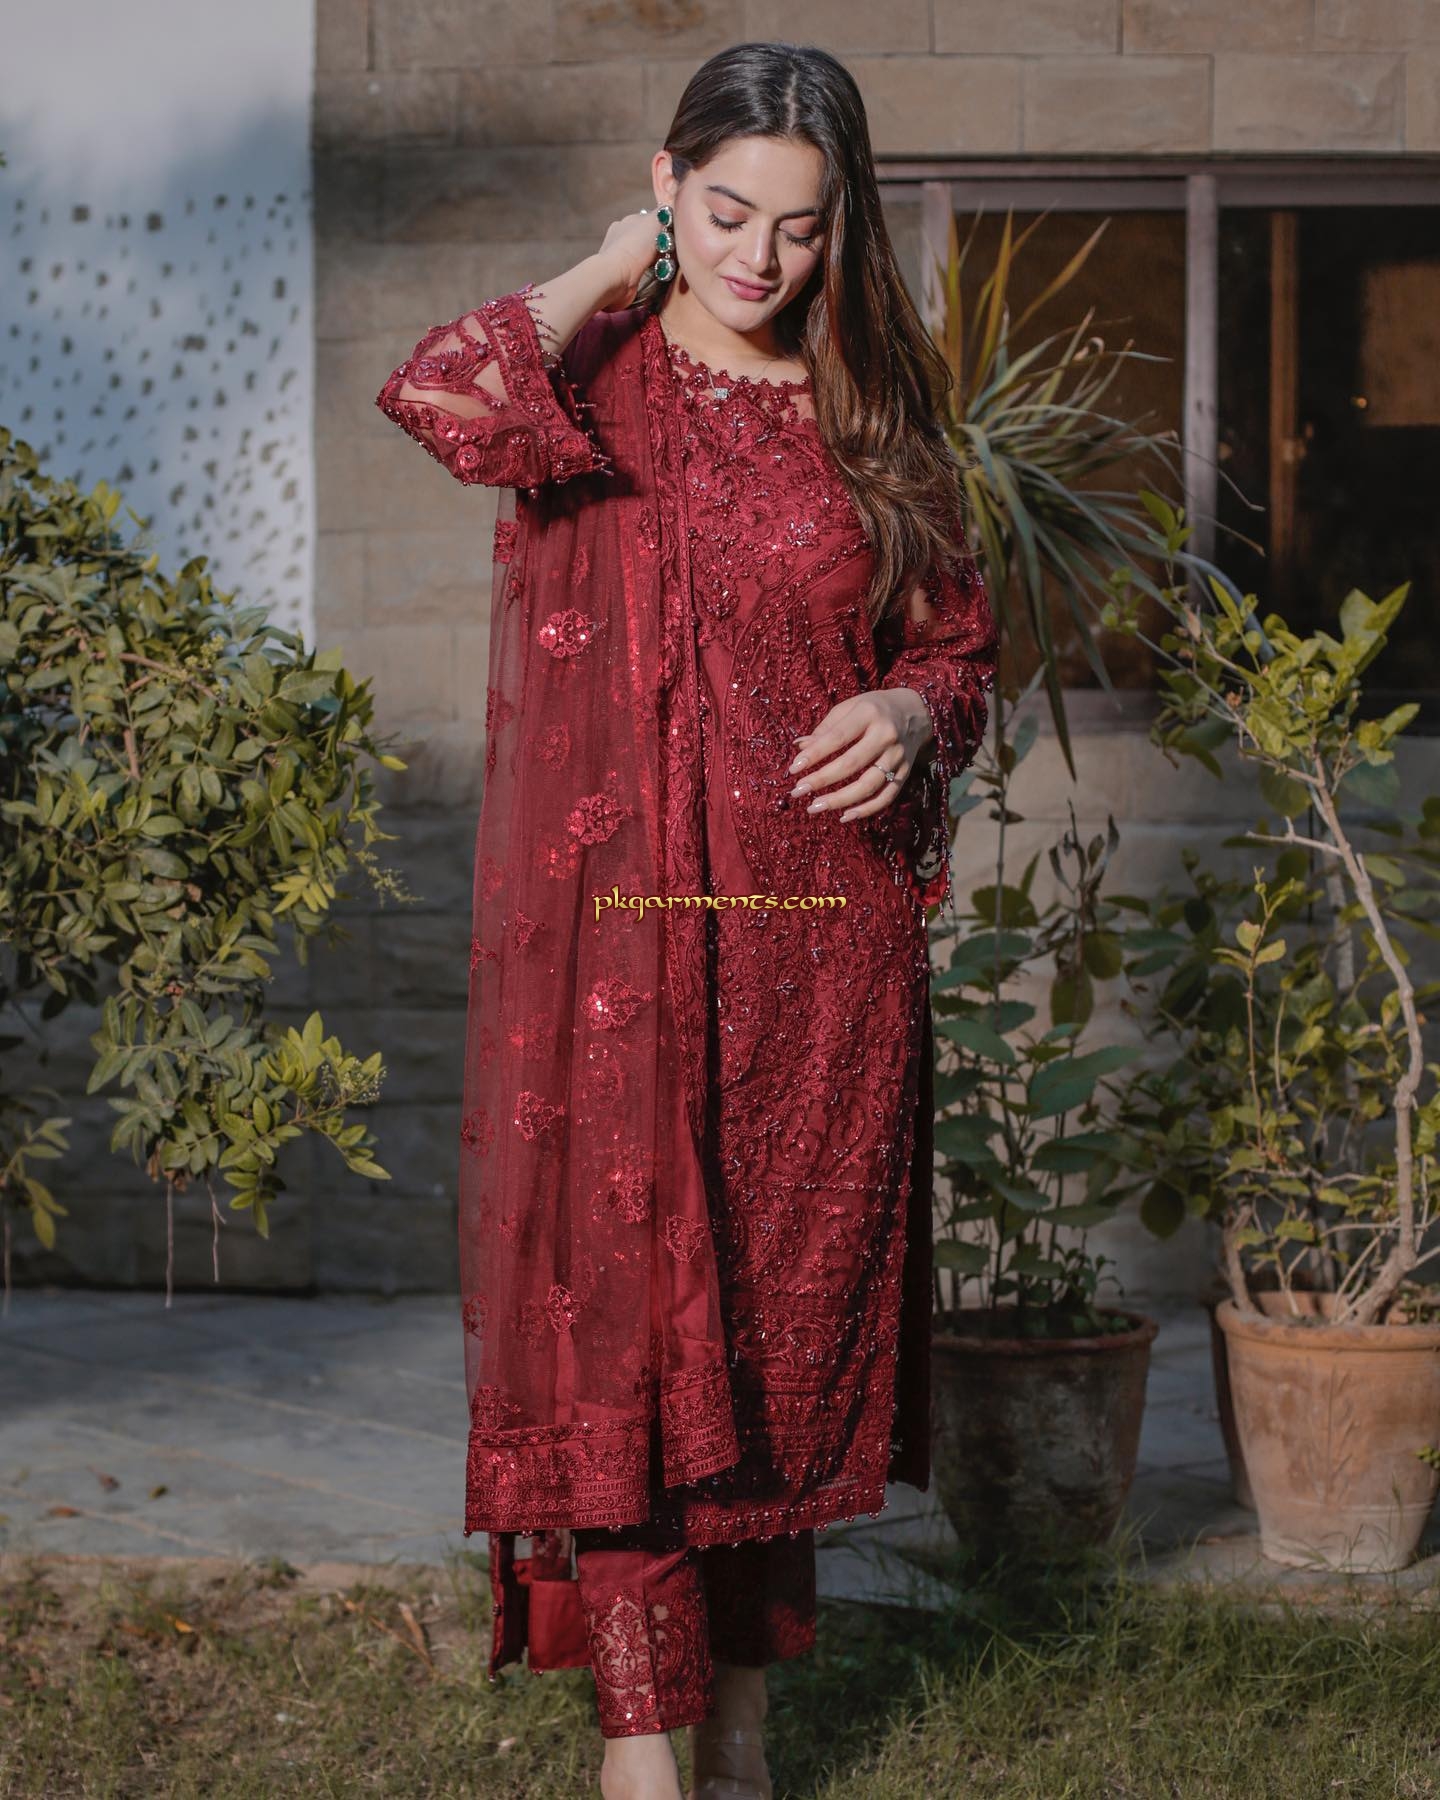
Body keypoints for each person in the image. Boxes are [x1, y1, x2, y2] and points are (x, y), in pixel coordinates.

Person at [374, 39, 998, 1800]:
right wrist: (605, 270)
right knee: (634, 1360)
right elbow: (434, 393)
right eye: (725, 212)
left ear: (842, 224)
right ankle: (643, 1766)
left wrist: (912, 713)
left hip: (823, 967)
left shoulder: (874, 413)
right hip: (624, 966)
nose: (760, 258)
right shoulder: (590, 383)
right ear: (668, 182)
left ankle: (740, 1733)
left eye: (800, 227)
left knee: (772, 1368)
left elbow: (958, 645)